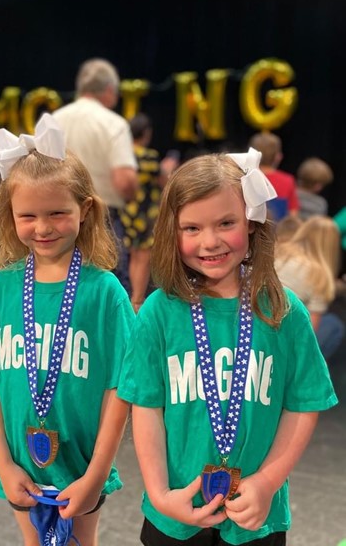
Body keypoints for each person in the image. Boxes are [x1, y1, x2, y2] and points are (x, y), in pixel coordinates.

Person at [117, 147, 337, 545]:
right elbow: (145, 407)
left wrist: (268, 481)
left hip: (256, 517)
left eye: (225, 222)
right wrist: (160, 494)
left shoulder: (285, 313)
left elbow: (303, 405)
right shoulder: (158, 312)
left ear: (251, 222)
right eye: (192, 228)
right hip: (176, 517)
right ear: (173, 231)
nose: (211, 241)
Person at [0, 114, 134, 546]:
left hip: (82, 466)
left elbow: (122, 387)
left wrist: (95, 474)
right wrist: (3, 463)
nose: (43, 227)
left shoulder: (105, 291)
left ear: (85, 210)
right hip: (18, 465)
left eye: (57, 212)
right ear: (10, 215)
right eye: (28, 215)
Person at [53, 58, 138, 293]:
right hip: (104, 219)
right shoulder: (113, 124)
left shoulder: (53, 121)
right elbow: (124, 181)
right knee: (108, 290)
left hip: (57, 218)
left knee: (63, 289)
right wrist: (132, 194)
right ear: (109, 90)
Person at [120, 113, 179, 311]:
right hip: (146, 214)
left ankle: (134, 297)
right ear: (146, 133)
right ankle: (137, 300)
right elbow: (166, 182)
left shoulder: (123, 157)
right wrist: (168, 168)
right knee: (144, 257)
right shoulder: (148, 156)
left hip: (128, 212)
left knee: (134, 254)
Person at [275, 215, 345, 360]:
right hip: (283, 339)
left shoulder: (279, 250)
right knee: (335, 325)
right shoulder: (320, 276)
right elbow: (310, 328)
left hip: (253, 319)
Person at [248, 132, 299, 220]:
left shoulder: (244, 178)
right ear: (278, 157)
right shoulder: (287, 181)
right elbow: (293, 216)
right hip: (278, 232)